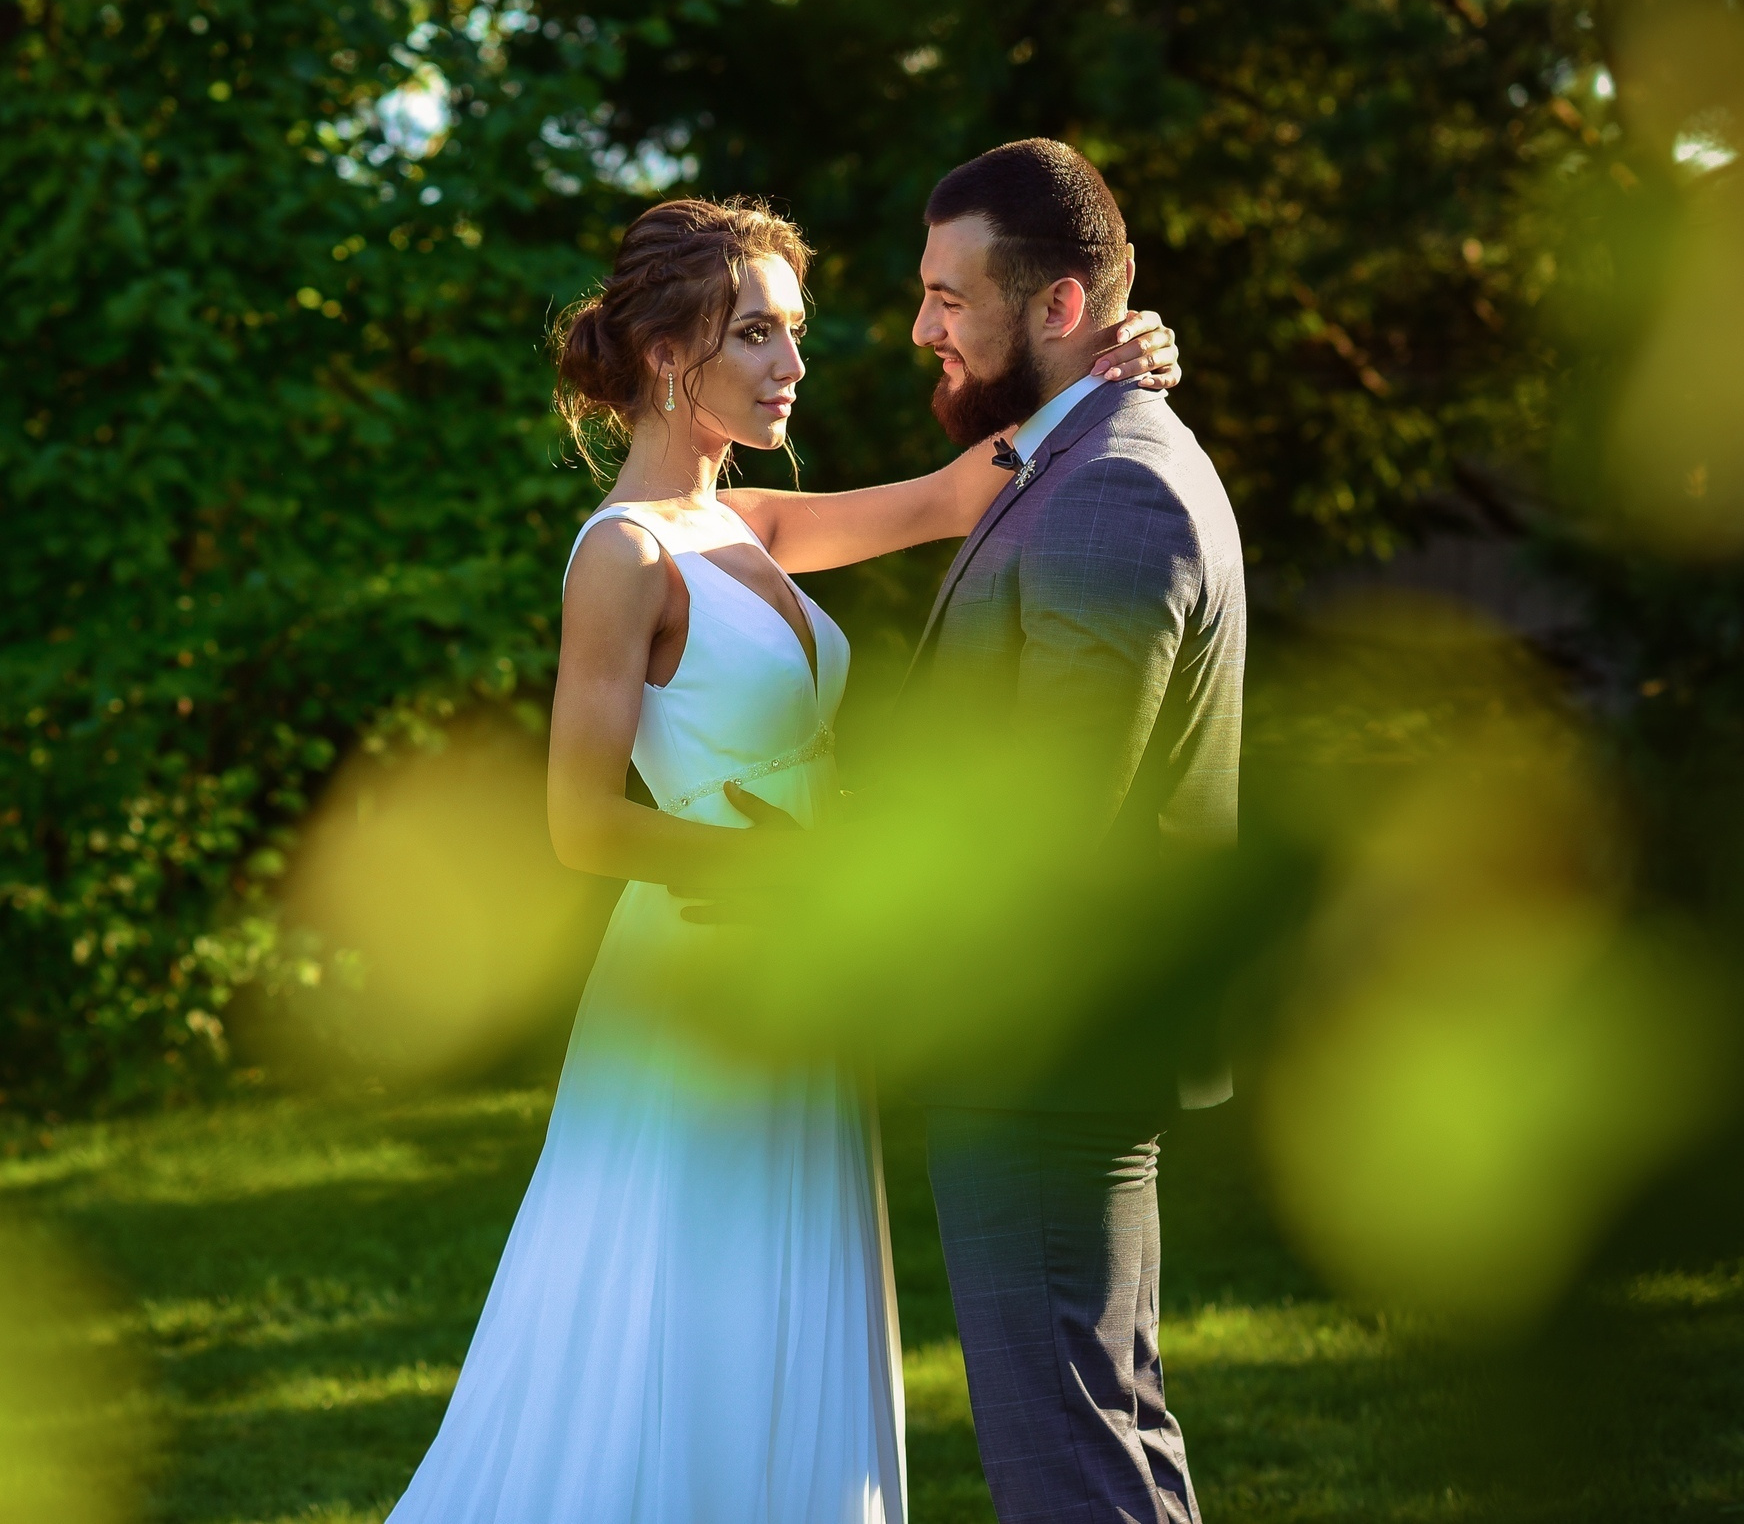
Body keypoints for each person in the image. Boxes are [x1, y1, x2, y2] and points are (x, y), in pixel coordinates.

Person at [382, 194, 1185, 1524]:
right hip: (696, 993)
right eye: (756, 332)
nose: (792, 363)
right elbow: (581, 824)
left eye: (792, 330)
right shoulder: (624, 555)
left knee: (788, 1313)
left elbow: (961, 492)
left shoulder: (746, 524)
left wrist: (1113, 358)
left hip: (793, 987)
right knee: (689, 1325)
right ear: (666, 355)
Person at [891, 138, 1244, 1524]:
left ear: (1061, 303)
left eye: (950, 298)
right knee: (1108, 1423)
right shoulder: (1079, 453)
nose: (923, 328)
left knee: (1071, 1457)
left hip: (1044, 1049)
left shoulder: (1112, 486)